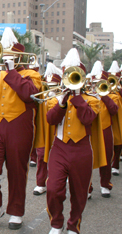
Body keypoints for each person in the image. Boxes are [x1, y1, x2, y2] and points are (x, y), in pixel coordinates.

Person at [0, 28, 41, 230]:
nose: (3, 59)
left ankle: (16, 210)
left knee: (17, 171)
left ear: (18, 57)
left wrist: (12, 71)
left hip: (19, 126)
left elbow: (29, 95)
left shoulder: (31, 74)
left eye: (8, 55)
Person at [45, 49, 105, 234]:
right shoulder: (56, 99)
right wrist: (62, 102)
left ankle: (73, 225)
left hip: (82, 149)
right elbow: (50, 119)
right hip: (60, 148)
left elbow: (88, 119)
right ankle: (56, 223)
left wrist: (78, 96)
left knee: (79, 194)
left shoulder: (92, 100)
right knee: (53, 189)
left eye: (75, 76)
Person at [87, 61, 119, 199]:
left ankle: (105, 184)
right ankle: (87, 187)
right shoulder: (87, 95)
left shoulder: (113, 96)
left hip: (105, 129)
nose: (97, 86)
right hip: (90, 130)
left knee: (106, 157)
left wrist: (104, 95)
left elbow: (114, 110)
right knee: (87, 160)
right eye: (95, 83)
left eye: (100, 83)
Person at [32, 62, 62, 196]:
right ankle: (40, 183)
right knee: (41, 156)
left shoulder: (62, 98)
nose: (51, 89)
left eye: (54, 87)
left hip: (58, 131)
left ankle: (58, 183)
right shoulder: (43, 96)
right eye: (48, 86)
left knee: (59, 159)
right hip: (43, 130)